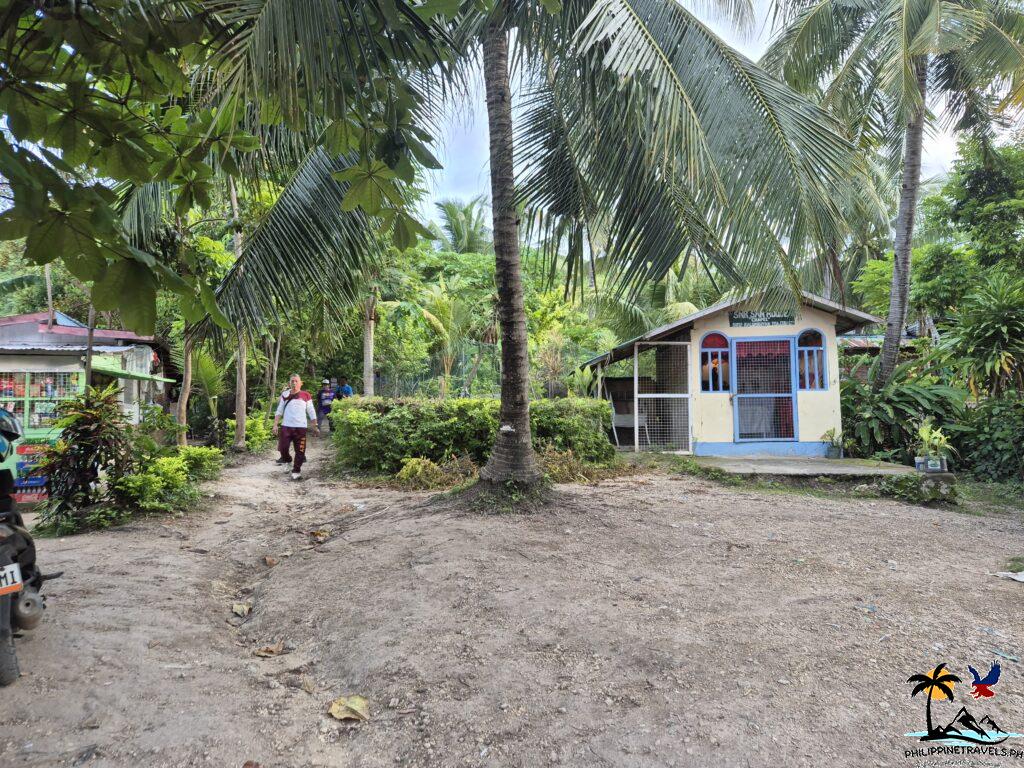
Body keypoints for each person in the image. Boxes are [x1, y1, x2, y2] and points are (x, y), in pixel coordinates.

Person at [273, 374, 319, 481]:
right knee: (283, 448)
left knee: (300, 450)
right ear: (289, 383)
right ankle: (288, 461)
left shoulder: (306, 395)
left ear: (301, 383)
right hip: (286, 426)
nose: (294, 383)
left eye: (296, 381)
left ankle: (296, 471)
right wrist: (275, 424)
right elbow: (279, 410)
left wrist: (315, 426)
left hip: (301, 428)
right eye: (292, 381)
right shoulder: (285, 394)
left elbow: (311, 411)